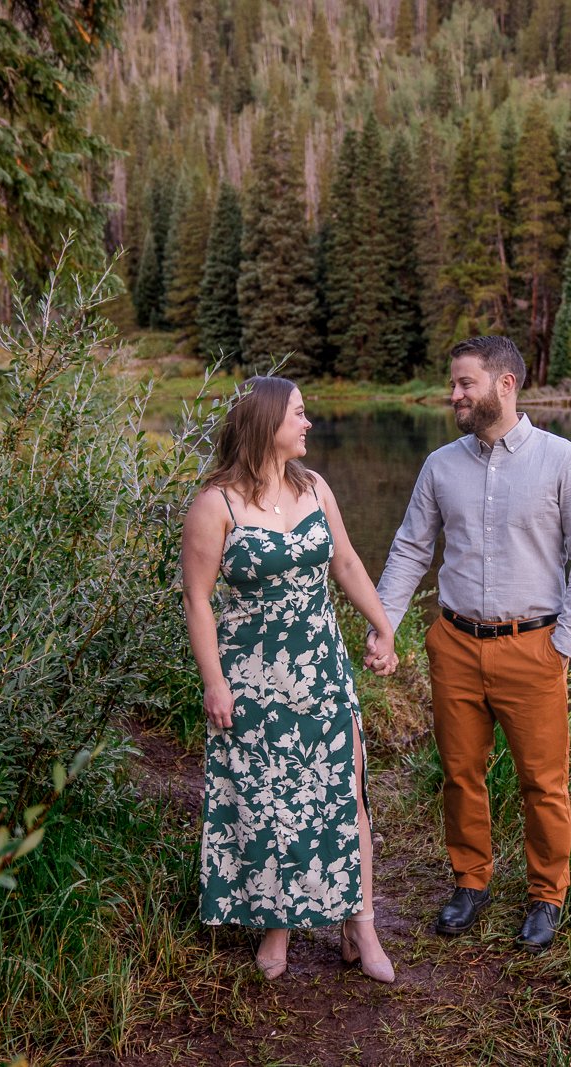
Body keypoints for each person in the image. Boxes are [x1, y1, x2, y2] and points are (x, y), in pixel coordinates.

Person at [368, 336, 571, 952]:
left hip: (533, 646)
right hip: (455, 644)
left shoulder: (565, 461)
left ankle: (545, 896)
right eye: (453, 384)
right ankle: (469, 883)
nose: (454, 396)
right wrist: (384, 622)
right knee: (459, 773)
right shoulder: (441, 466)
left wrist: (565, 643)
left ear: (505, 385)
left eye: (465, 384)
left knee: (543, 782)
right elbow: (411, 549)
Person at [182, 375, 397, 982]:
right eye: (299, 414)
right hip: (250, 675)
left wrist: (383, 627)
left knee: (344, 794)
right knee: (271, 800)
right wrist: (214, 682)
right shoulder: (215, 505)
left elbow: (346, 562)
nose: (308, 424)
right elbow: (197, 601)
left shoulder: (315, 487)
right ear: (267, 424)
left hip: (322, 667)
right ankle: (276, 928)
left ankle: (360, 925)